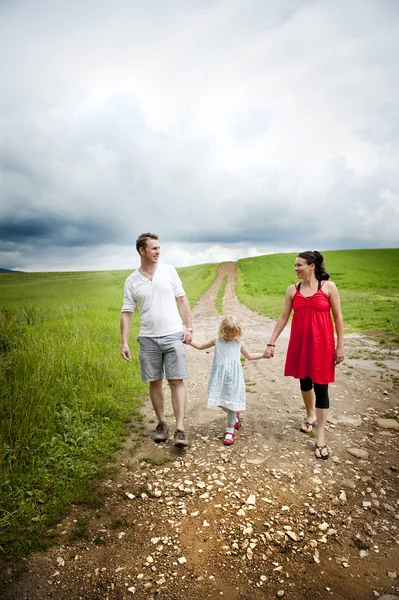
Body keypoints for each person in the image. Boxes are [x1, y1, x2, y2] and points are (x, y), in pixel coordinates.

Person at [264, 251, 344, 460]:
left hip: (323, 346)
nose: (296, 268)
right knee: (305, 383)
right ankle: (310, 415)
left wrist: (340, 346)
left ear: (312, 266)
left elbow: (338, 318)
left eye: (299, 265)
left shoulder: (329, 288)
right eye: (295, 265)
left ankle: (320, 438)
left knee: (322, 387)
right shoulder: (292, 290)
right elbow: (283, 317)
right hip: (300, 345)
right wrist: (271, 341)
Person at [120, 232, 193, 448]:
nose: (158, 252)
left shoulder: (169, 272)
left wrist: (188, 328)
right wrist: (124, 342)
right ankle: (161, 423)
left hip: (172, 335)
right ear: (142, 251)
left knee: (177, 380)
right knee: (155, 381)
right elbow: (126, 312)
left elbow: (182, 300)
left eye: (159, 248)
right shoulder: (132, 281)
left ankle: (180, 428)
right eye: (153, 248)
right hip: (148, 339)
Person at [190, 315, 267, 445]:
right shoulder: (217, 340)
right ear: (222, 331)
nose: (230, 338)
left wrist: (263, 355)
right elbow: (201, 346)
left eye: (233, 335)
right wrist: (188, 341)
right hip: (219, 377)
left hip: (233, 379)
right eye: (228, 335)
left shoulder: (238, 343)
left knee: (231, 404)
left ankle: (230, 430)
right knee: (218, 400)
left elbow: (250, 356)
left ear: (237, 333)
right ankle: (235, 416)